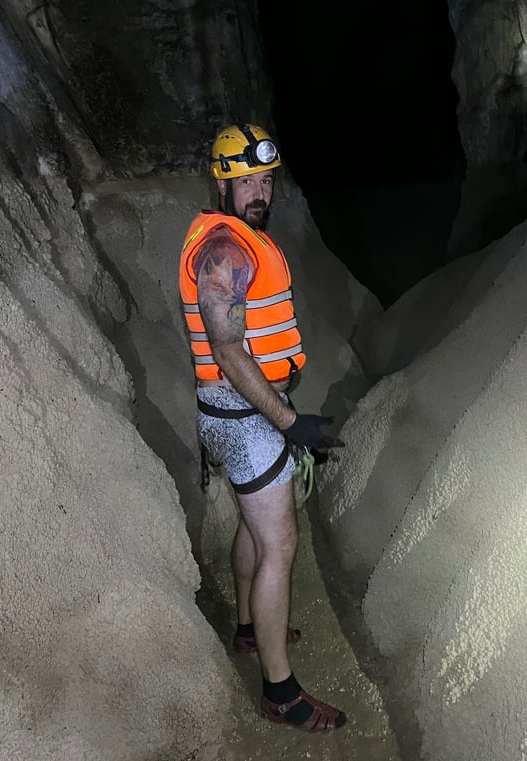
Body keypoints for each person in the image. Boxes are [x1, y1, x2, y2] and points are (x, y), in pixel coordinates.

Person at [178, 123, 347, 732]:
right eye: (245, 178)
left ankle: (250, 628)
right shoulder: (225, 249)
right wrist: (291, 423)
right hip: (245, 417)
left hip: (232, 413)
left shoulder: (235, 237)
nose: (259, 191)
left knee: (255, 527)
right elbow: (228, 352)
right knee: (279, 544)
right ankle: (281, 694)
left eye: (266, 179)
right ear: (221, 180)